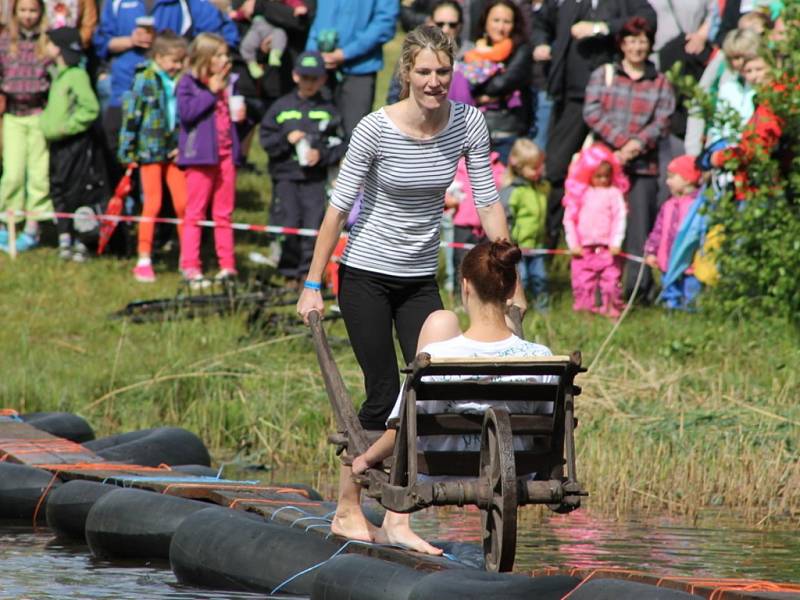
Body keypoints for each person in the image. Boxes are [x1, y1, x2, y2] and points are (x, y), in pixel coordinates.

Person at [296, 25, 525, 546]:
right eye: (424, 71)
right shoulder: (376, 129)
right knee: (382, 393)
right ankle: (347, 509)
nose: (434, 81)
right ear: (407, 73)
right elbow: (337, 210)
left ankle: (398, 518)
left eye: (443, 71)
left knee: (424, 393)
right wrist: (313, 282)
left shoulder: (468, 123)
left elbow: (487, 202)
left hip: (420, 276)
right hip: (366, 275)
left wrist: (511, 283)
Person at [350, 240, 553, 554]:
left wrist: (365, 459)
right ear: (512, 289)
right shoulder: (542, 357)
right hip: (515, 471)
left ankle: (394, 524)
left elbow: (401, 428)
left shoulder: (437, 357)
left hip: (439, 468)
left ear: (465, 287)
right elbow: (549, 430)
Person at [530, 0, 655, 247]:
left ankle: (616, 248)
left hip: (613, 99)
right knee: (556, 168)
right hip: (570, 97)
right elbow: (539, 22)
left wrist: (601, 27)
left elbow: (648, 19)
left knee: (614, 171)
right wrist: (541, 43)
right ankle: (552, 248)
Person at [582, 16, 675, 302]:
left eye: (643, 41)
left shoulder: (660, 82)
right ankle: (596, 292)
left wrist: (637, 144)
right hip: (604, 168)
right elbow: (592, 112)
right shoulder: (604, 74)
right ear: (622, 44)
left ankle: (637, 294)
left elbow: (664, 118)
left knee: (639, 233)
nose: (637, 47)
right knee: (600, 228)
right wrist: (622, 143)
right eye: (632, 41)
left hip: (643, 168)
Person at [93, 0, 239, 160]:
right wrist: (130, 41)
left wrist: (183, 60)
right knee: (114, 143)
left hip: (169, 94)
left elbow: (222, 37)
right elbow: (101, 41)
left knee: (161, 151)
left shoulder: (186, 4)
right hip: (123, 87)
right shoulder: (117, 3)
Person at [260, 51, 345, 285]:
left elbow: (341, 142)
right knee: (288, 223)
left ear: (323, 79)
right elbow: (266, 140)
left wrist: (322, 154)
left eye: (314, 78)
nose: (309, 83)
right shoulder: (281, 106)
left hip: (314, 179)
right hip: (286, 177)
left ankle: (308, 274)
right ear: (295, 76)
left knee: (313, 224)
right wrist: (285, 140)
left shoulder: (328, 109)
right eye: (305, 77)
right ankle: (288, 274)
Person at [119, 31, 189, 283]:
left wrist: (184, 145)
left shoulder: (183, 80)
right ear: (159, 57)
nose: (178, 66)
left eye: (181, 60)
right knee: (153, 203)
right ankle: (144, 258)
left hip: (174, 153)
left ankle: (188, 259)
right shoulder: (144, 79)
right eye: (174, 60)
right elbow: (131, 117)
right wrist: (127, 150)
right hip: (149, 152)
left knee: (184, 204)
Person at [177, 32, 243, 287]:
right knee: (195, 213)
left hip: (226, 155)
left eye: (225, 54)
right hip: (200, 157)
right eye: (219, 55)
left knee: (224, 213)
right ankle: (191, 267)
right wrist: (210, 92)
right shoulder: (188, 83)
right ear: (205, 57)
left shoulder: (229, 83)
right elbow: (187, 114)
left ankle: (227, 266)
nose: (225, 59)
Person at [39, 27, 101, 262]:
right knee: (58, 188)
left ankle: (82, 240)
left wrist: (68, 127)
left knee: (76, 192)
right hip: (57, 145)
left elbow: (90, 108)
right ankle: (64, 236)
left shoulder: (77, 75)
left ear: (58, 48)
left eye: (49, 43)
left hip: (74, 144)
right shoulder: (58, 75)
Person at [0, 0, 52, 254]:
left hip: (39, 115)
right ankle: (8, 223)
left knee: (38, 173)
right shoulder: (4, 43)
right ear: (15, 12)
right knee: (13, 172)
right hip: (12, 116)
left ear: (40, 12)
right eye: (23, 10)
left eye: (33, 11)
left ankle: (33, 227)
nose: (28, 16)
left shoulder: (47, 44)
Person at [304, 0, 398, 136]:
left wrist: (346, 53)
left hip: (360, 68)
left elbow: (385, 23)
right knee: (316, 132)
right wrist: (314, 56)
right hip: (321, 68)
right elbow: (316, 18)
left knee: (356, 135)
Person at [563, 143, 629, 318]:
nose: (602, 180)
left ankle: (612, 311)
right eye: (597, 176)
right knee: (583, 282)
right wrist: (573, 243)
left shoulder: (614, 194)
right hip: (583, 249)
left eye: (606, 176)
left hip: (607, 248)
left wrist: (616, 242)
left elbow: (619, 218)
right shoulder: (579, 194)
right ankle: (585, 314)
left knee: (611, 282)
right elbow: (569, 219)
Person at [467, 0, 530, 163]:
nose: (500, 27)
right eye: (496, 20)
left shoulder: (521, 50)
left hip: (505, 131)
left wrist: (478, 90)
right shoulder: (473, 49)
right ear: (485, 21)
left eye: (506, 22)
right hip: (473, 132)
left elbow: (504, 83)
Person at [644, 155, 703, 310]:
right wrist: (651, 251)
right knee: (670, 291)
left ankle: (690, 317)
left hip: (690, 263)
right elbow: (657, 231)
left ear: (687, 179)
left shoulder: (698, 207)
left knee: (691, 293)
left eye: (672, 177)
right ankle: (671, 312)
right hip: (668, 262)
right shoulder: (668, 205)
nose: (667, 181)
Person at [499, 138, 548, 310]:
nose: (539, 171)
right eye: (534, 167)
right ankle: (517, 308)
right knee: (522, 279)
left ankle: (543, 309)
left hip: (537, 245)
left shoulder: (541, 187)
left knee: (540, 278)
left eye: (540, 166)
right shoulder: (513, 191)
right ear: (520, 167)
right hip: (518, 246)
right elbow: (505, 217)